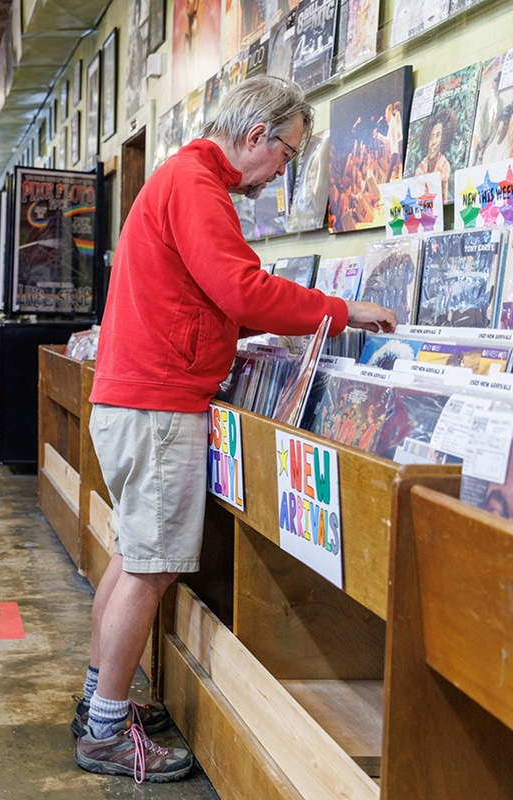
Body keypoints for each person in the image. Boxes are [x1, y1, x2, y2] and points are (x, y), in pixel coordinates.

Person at [73, 76, 397, 782]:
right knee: (149, 567)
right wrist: (340, 310)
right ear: (257, 135)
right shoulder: (196, 184)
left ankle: (103, 702)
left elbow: (217, 296)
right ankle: (104, 728)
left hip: (141, 398)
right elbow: (239, 288)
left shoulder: (187, 179)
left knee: (134, 558)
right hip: (158, 403)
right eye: (287, 153)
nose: (284, 169)